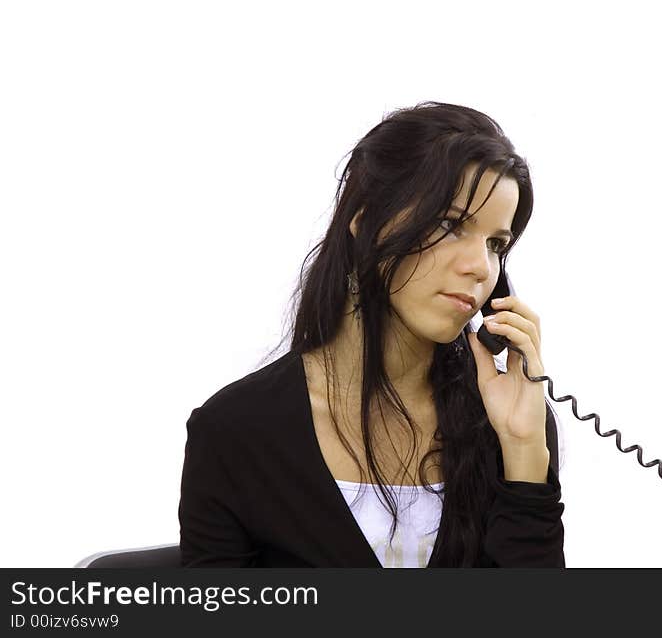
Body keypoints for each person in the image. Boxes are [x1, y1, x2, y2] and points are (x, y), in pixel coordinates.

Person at [178, 101, 565, 567]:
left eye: (495, 244)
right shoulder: (236, 432)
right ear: (366, 222)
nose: (480, 267)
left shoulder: (509, 422)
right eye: (449, 224)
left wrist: (523, 453)